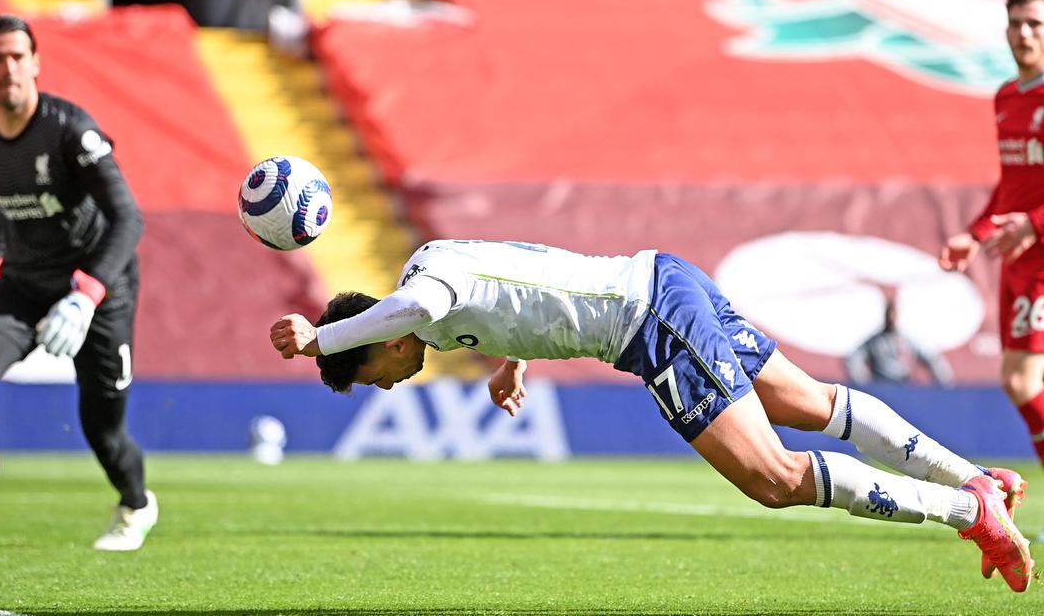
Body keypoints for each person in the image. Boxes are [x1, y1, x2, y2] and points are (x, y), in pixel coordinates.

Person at [272, 240, 1034, 591]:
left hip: (649, 321)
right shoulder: (438, 305)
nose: (390, 385)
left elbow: (416, 303)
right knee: (812, 405)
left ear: (375, 342)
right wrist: (516, 359)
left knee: (771, 478)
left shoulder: (421, 291)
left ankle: (962, 509)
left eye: (374, 377)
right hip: (664, 278)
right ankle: (979, 479)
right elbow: (533, 276)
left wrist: (320, 337)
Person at [0, 14, 157, 551]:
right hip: (24, 283)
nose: (8, 67)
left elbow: (129, 219)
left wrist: (86, 295)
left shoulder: (70, 130)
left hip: (99, 289)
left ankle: (135, 506)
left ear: (35, 62)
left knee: (101, 430)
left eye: (17, 56)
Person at [939, 0, 1044, 522]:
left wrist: (1034, 223)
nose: (1023, 33)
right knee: (1017, 379)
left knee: (1024, 381)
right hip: (1017, 256)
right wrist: (975, 235)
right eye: (1016, 24)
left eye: (1034, 24)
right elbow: (1012, 185)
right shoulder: (1007, 97)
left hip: (1040, 255)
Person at [844, 298, 953, 386]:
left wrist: (944, 384)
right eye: (888, 316)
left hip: (904, 386)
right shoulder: (875, 342)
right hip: (881, 387)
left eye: (893, 315)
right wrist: (864, 383)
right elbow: (853, 359)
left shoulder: (908, 341)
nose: (891, 319)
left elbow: (931, 357)